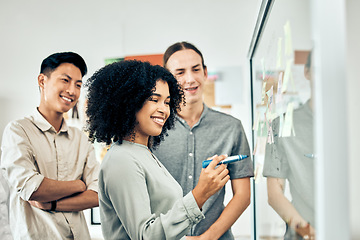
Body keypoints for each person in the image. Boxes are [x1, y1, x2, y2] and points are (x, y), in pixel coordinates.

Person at [86, 60, 230, 240]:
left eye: (167, 102)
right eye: (154, 99)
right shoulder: (121, 159)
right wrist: (200, 194)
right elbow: (145, 236)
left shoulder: (144, 153)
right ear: (129, 101)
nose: (164, 110)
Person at [152, 41, 254, 239]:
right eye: (180, 72)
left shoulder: (231, 127)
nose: (190, 79)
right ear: (167, 80)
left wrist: (208, 237)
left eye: (196, 69)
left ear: (205, 73)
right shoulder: (152, 129)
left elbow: (243, 196)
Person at [0, 52, 100, 239]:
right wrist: (78, 185)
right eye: (65, 80)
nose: (72, 90)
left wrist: (52, 204)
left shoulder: (81, 139)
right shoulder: (18, 131)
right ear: (42, 81)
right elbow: (32, 189)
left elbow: (97, 195)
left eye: (78, 85)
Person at [263, 52, 315, 239]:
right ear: (307, 72)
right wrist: (310, 233)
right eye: (319, 68)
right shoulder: (281, 125)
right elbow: (275, 194)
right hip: (302, 233)